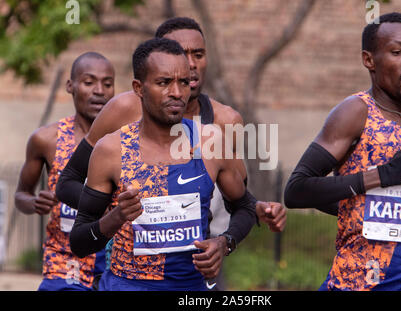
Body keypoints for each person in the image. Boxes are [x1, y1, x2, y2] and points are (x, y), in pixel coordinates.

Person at [55, 17, 286, 286]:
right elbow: (74, 208)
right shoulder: (118, 127)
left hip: (195, 271)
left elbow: (239, 200)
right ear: (140, 86)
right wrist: (117, 212)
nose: (188, 64)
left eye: (196, 55)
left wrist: (227, 240)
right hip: (127, 275)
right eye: (165, 79)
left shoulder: (219, 130)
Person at [284, 12, 401, 290]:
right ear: (369, 60)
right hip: (360, 284)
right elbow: (296, 190)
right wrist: (379, 176)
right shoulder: (356, 112)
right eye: (397, 52)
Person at [14, 52, 115, 290]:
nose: (99, 90)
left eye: (107, 83)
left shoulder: (126, 138)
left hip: (115, 259)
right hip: (65, 259)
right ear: (71, 85)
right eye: (89, 82)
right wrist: (34, 202)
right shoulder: (45, 139)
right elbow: (21, 194)